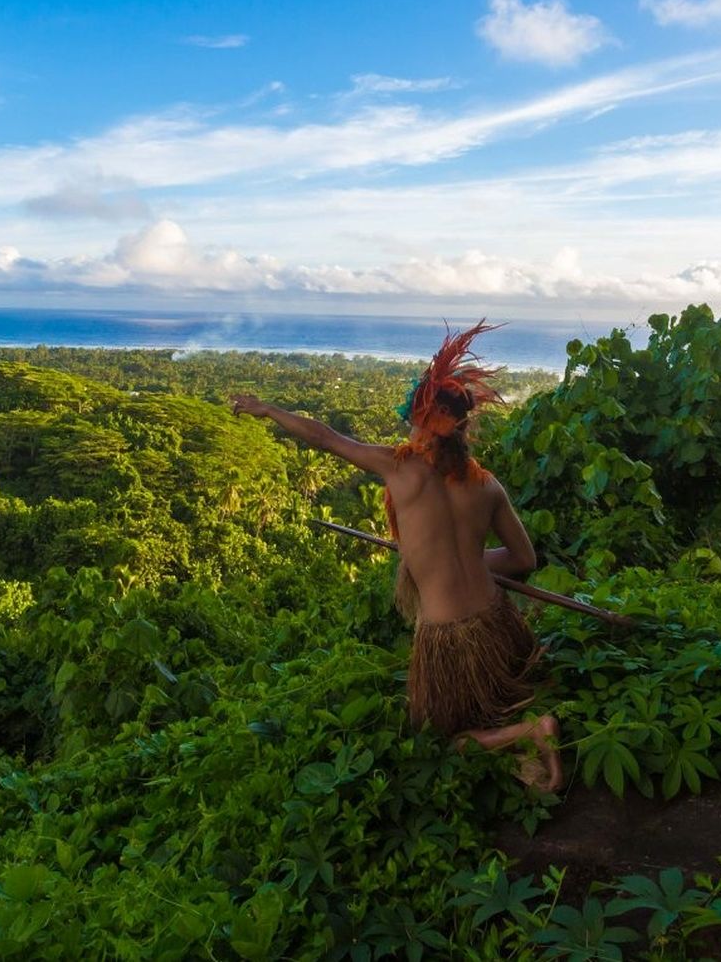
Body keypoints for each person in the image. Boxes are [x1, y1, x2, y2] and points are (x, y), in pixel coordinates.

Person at [231, 321, 561, 791]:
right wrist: (467, 561)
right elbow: (523, 558)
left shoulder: (400, 469)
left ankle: (528, 731)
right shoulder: (487, 485)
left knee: (434, 739)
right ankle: (520, 731)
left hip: (448, 637)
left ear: (424, 424)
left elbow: (323, 437)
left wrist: (266, 409)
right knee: (499, 698)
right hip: (497, 622)